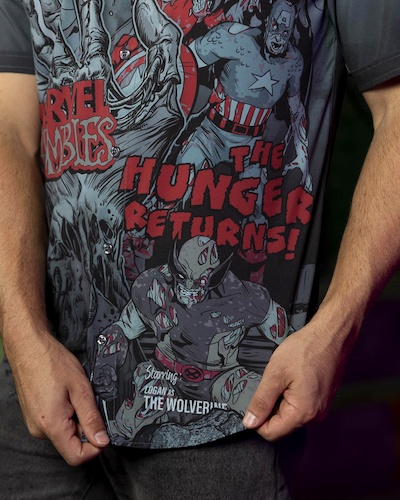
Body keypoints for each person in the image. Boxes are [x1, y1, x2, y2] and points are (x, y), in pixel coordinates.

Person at [1, 0, 400, 498]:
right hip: (40, 376)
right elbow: (9, 129)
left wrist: (337, 327)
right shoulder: (230, 41)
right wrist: (23, 336)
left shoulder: (283, 56)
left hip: (227, 409)